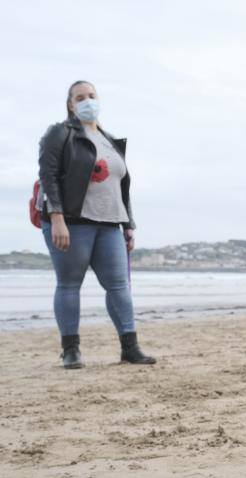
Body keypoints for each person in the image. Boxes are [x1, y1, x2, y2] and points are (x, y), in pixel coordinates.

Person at [39, 80, 155, 369]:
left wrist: (128, 224)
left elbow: (121, 186)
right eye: (80, 97)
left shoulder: (110, 139)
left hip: (110, 225)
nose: (87, 101)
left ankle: (130, 347)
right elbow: (48, 176)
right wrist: (57, 218)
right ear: (71, 104)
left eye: (92, 95)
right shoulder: (60, 133)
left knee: (119, 286)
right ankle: (71, 350)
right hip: (73, 222)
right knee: (69, 285)